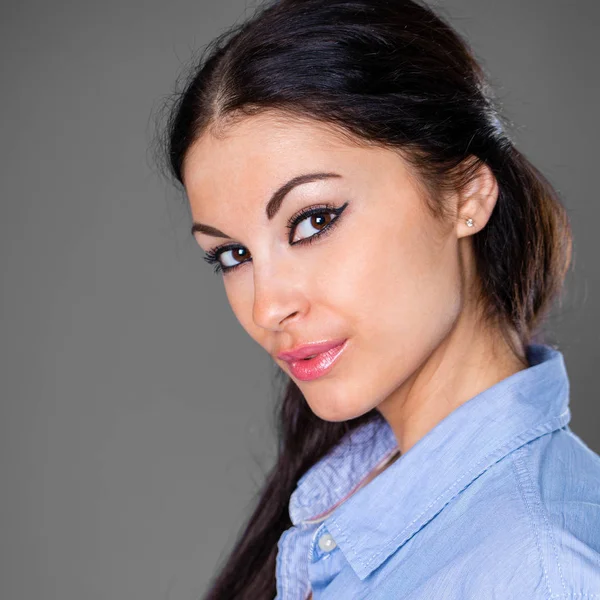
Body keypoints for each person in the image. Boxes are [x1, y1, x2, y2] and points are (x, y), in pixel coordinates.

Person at [156, 0, 600, 597]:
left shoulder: (541, 570)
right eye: (233, 256)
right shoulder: (343, 496)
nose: (268, 308)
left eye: (313, 221)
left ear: (465, 196)